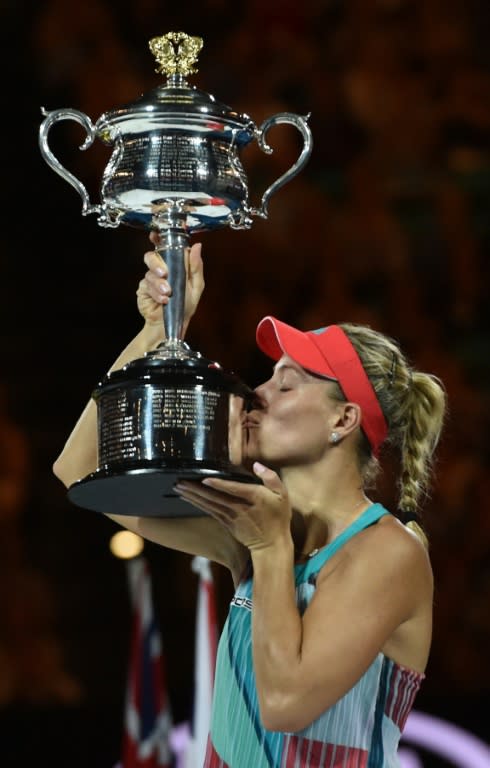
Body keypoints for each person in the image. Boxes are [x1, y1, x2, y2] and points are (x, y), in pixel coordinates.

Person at [53, 235, 447, 768]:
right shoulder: (252, 529)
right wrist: (157, 333)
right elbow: (79, 470)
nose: (256, 392)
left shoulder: (386, 554)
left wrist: (267, 547)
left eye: (285, 385)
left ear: (342, 421)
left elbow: (285, 703)